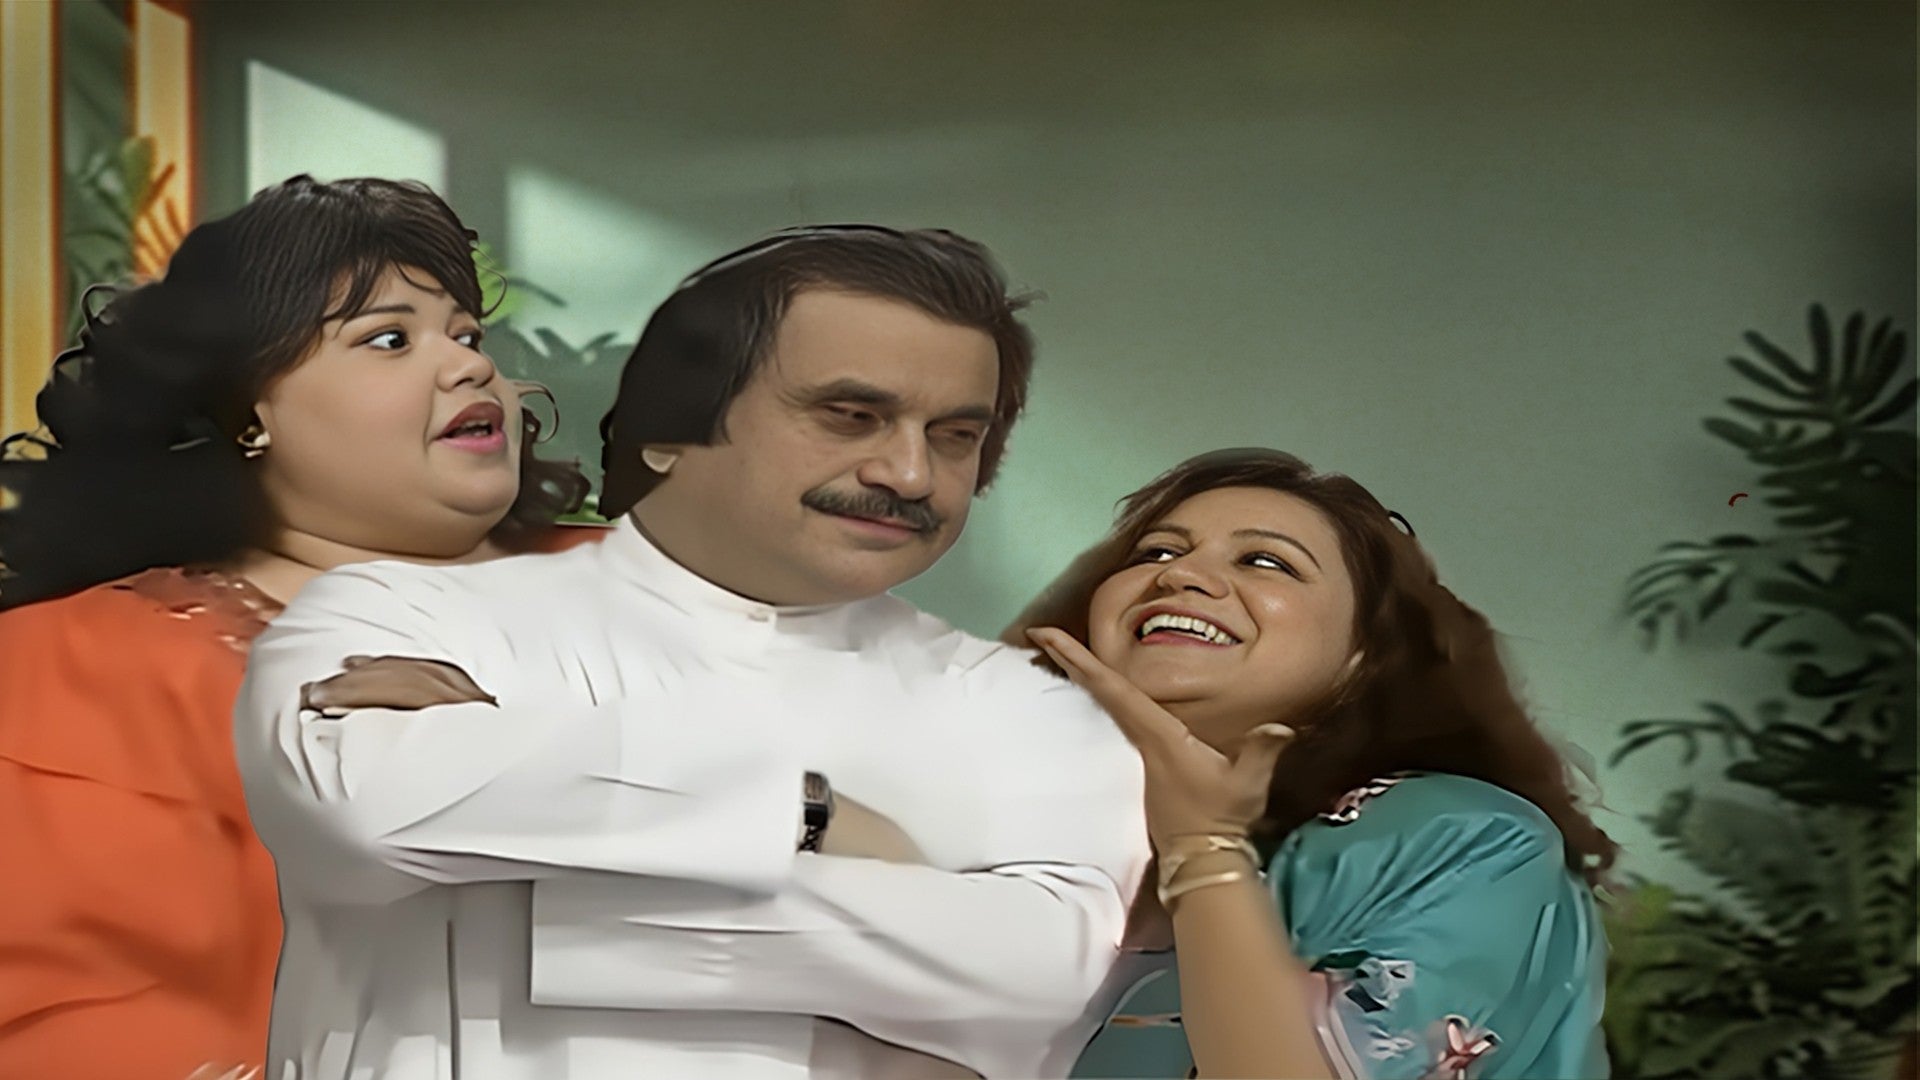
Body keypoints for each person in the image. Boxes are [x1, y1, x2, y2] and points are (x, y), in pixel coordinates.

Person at [231, 225, 1150, 1079]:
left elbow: (1039, 980)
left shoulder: (1025, 706)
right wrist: (818, 816)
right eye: (849, 416)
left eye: (956, 437)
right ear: (670, 431)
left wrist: (537, 873)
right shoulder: (395, 614)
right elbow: (365, 808)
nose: (910, 475)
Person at [0, 175, 591, 1079]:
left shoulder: (667, 584)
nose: (469, 366)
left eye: (468, 336)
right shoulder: (73, 668)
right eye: (389, 339)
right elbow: (72, 1018)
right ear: (248, 413)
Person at [1010, 447, 1615, 1079]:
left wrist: (1204, 851)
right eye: (1156, 553)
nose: (1179, 575)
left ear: (1365, 655)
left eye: (1265, 561)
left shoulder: (1469, 838)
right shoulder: (1021, 848)